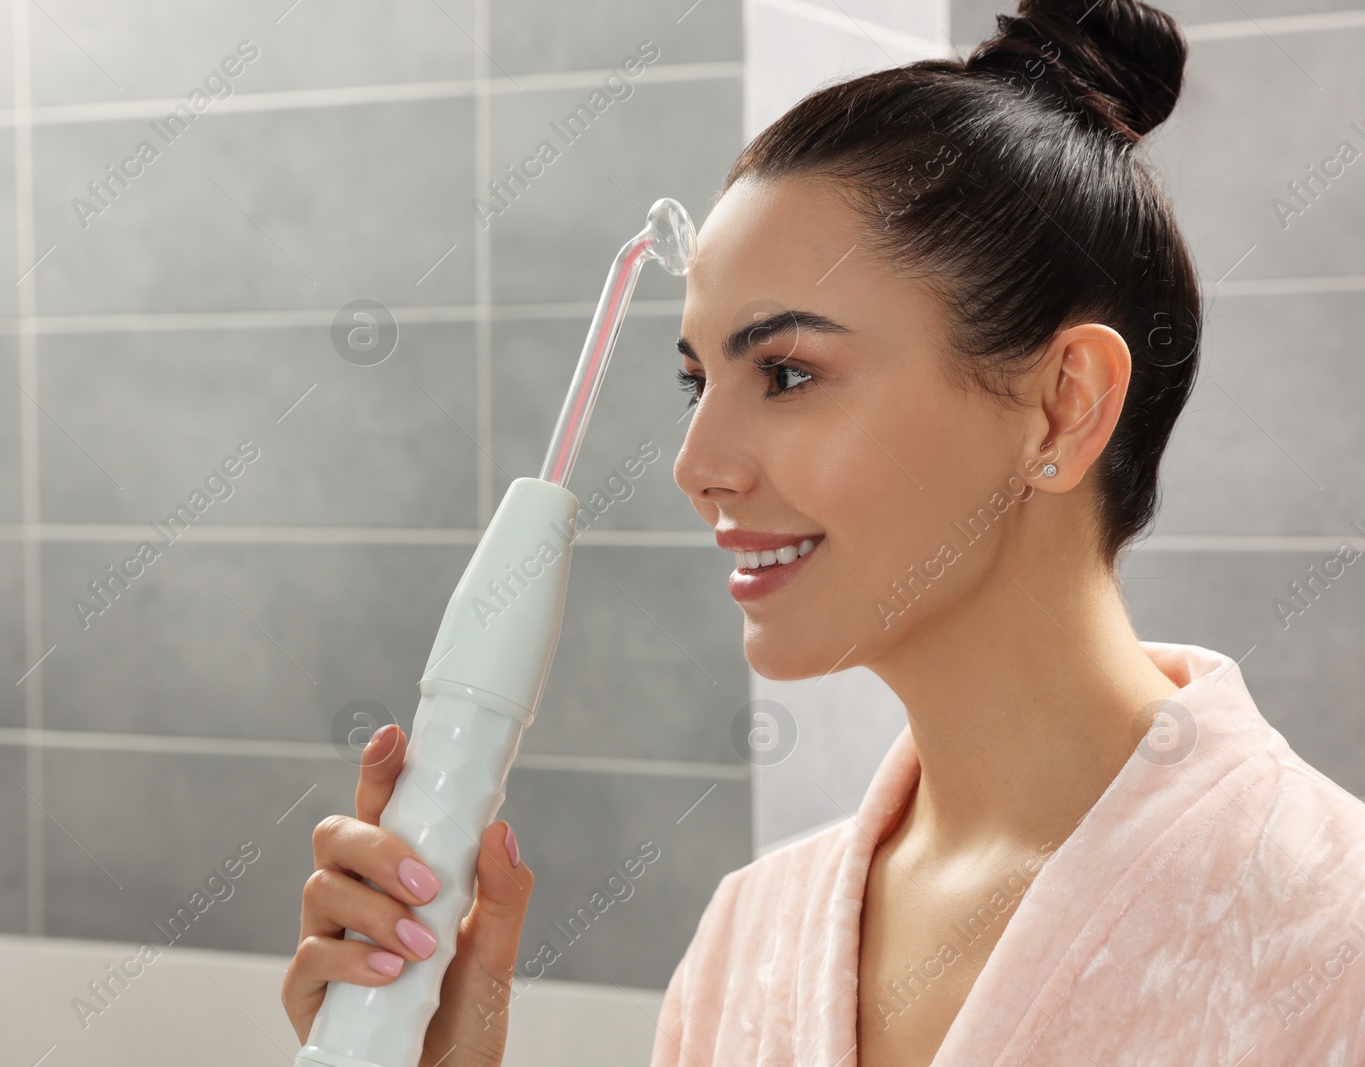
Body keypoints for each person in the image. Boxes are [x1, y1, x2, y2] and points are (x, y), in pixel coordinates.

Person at [282, 1, 1365, 1063]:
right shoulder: (750, 938)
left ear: (1062, 403)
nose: (696, 464)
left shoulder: (1330, 934)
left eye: (787, 372)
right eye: (696, 380)